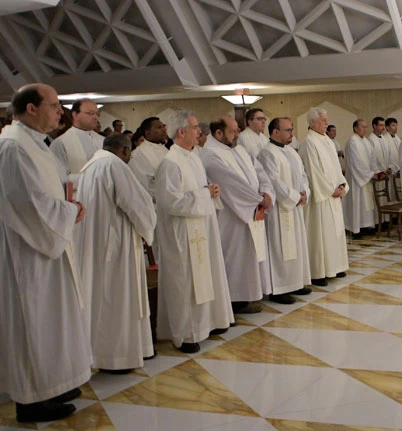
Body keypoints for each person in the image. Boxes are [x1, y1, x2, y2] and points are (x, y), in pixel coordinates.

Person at [0, 83, 91, 422]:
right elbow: (29, 205)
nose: (60, 112)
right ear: (31, 108)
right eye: (53, 105)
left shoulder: (36, 145)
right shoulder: (13, 147)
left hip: (48, 247)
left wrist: (69, 207)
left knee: (53, 321)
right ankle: (31, 398)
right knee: (33, 322)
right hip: (28, 254)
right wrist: (69, 212)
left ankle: (53, 383)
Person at [75, 133, 156, 374]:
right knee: (119, 299)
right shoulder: (114, 165)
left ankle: (102, 353)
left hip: (95, 244)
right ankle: (118, 357)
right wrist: (148, 228)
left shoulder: (89, 167)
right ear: (123, 150)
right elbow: (137, 204)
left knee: (101, 299)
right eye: (129, 152)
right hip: (116, 246)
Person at [155, 110, 233, 353]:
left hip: (202, 227)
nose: (199, 131)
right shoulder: (169, 163)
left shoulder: (193, 157)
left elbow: (201, 190)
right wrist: (204, 194)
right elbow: (170, 202)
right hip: (183, 233)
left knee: (206, 275)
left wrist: (212, 191)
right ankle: (187, 333)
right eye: (195, 127)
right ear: (181, 132)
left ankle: (208, 323)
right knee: (186, 282)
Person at [200, 115, 275, 313]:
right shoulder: (209, 154)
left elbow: (261, 173)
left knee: (251, 254)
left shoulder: (241, 150)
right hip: (231, 216)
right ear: (218, 133)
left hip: (252, 209)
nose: (237, 134)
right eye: (233, 131)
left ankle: (251, 294)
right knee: (234, 256)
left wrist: (267, 192)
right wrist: (258, 200)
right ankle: (234, 299)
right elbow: (231, 184)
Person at [258, 117, 313, 303]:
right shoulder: (267, 153)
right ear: (275, 132)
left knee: (296, 246)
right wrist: (295, 197)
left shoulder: (291, 152)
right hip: (280, 210)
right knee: (281, 247)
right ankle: (280, 288)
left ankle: (295, 283)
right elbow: (273, 182)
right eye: (288, 130)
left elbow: (303, 174)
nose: (292, 133)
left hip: (294, 207)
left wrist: (305, 192)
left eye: (291, 130)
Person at [300, 107, 349, 287]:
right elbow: (313, 172)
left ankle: (335, 266)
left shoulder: (327, 140)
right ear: (313, 122)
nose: (326, 123)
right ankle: (319, 271)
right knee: (320, 234)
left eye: (326, 120)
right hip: (321, 198)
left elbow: (336, 167)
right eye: (323, 120)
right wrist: (330, 190)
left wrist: (342, 184)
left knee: (334, 232)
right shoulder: (309, 142)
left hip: (333, 195)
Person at [343, 118, 381, 238]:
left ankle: (366, 226)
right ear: (355, 128)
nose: (365, 129)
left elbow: (372, 158)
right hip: (356, 179)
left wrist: (375, 171)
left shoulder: (366, 141)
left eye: (366, 127)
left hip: (367, 177)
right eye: (362, 127)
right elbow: (356, 162)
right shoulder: (352, 142)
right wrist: (369, 174)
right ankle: (356, 230)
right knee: (357, 204)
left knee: (366, 205)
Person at [50, 98, 104, 176]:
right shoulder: (61, 143)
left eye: (97, 113)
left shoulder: (103, 140)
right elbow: (58, 177)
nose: (95, 117)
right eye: (90, 113)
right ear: (75, 115)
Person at [129, 116, 168, 197]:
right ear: (147, 132)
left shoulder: (164, 149)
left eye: (164, 126)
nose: (164, 129)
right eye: (159, 127)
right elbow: (143, 186)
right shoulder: (139, 154)